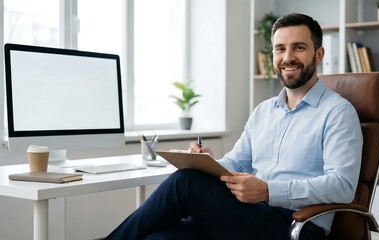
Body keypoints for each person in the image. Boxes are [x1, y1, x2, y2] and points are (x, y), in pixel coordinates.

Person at [106, 13, 362, 240]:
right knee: (159, 237)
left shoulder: (338, 112)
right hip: (250, 214)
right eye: (280, 48)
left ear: (319, 54)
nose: (287, 57)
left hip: (296, 225)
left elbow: (341, 185)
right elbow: (238, 164)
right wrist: (210, 164)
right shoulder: (263, 111)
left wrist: (268, 191)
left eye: (299, 48)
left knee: (185, 182)